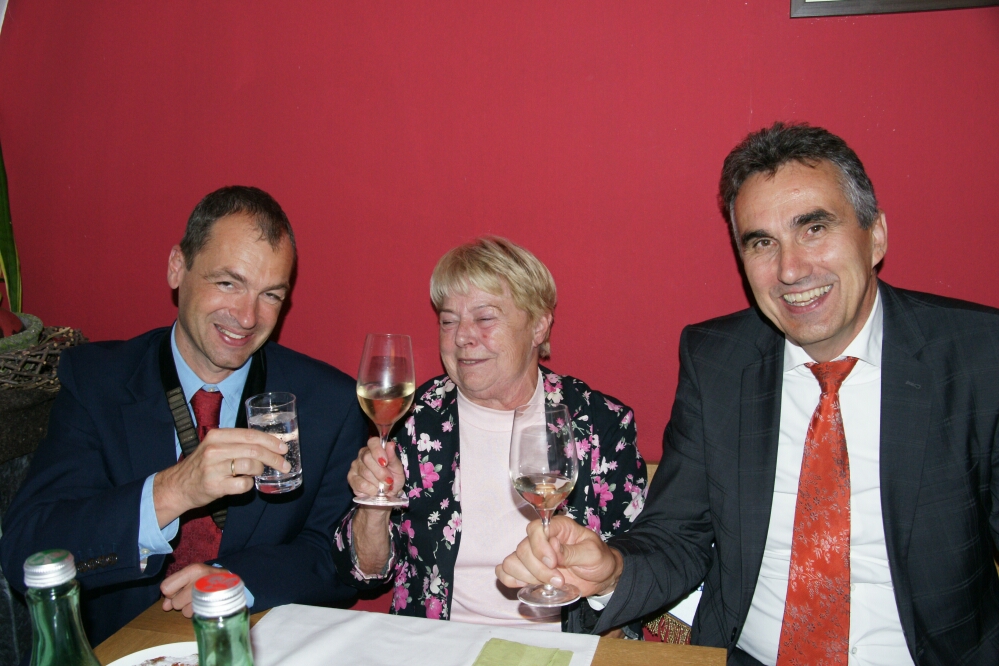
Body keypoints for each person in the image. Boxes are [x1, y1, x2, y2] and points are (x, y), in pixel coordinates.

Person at [498, 123, 999, 664]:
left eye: (814, 228)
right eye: (762, 243)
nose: (791, 269)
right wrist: (611, 570)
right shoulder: (718, 362)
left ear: (875, 236)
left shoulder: (977, 356)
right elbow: (677, 535)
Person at [0, 186, 366, 644]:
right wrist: (173, 490)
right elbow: (27, 554)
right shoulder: (97, 381)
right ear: (178, 267)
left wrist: (234, 582)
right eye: (228, 283)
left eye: (270, 295)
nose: (247, 317)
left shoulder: (328, 402)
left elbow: (336, 561)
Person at [333, 237, 647, 634]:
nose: (462, 337)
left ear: (538, 326)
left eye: (484, 318)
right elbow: (365, 574)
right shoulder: (412, 419)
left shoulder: (598, 423)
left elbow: (637, 569)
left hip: (560, 647)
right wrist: (375, 507)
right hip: (434, 645)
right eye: (448, 321)